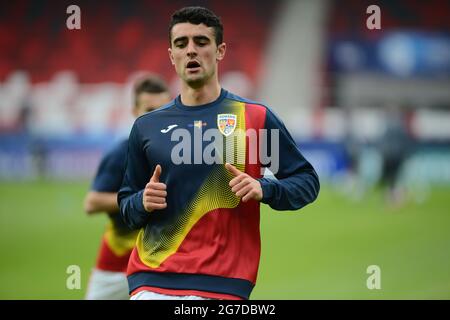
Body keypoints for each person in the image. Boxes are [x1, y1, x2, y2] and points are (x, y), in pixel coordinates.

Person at [118, 6, 320, 300]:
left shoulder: (256, 119)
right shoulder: (146, 126)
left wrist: (265, 189)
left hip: (222, 283)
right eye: (181, 43)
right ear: (171, 55)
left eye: (201, 42)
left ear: (220, 50)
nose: (190, 51)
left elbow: (306, 181)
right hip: (152, 278)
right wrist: (142, 201)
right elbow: (126, 204)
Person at [83, 74, 171, 299]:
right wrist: (138, 200)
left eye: (162, 110)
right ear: (134, 111)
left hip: (160, 263)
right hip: (116, 264)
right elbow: (91, 203)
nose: (155, 117)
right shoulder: (120, 154)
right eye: (148, 109)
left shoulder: (180, 154)